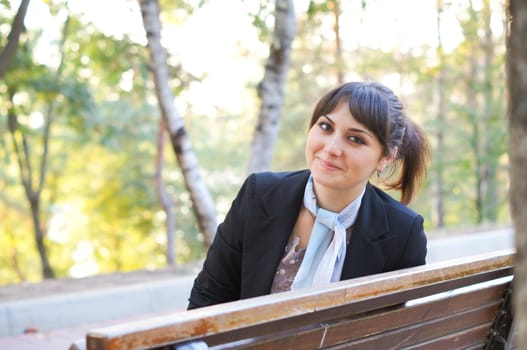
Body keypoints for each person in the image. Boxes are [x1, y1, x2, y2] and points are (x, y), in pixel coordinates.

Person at [187, 81, 430, 309]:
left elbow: (391, 335)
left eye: (355, 139)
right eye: (326, 127)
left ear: (386, 157)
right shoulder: (259, 195)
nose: (331, 148)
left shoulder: (402, 232)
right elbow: (209, 298)